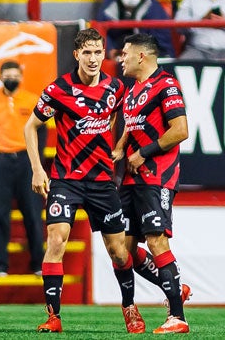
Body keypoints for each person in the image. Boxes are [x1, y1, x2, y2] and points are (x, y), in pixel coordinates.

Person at [25, 29, 142, 334]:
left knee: (118, 251)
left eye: (98, 52)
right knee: (56, 240)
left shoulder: (116, 88)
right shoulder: (59, 88)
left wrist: (118, 148)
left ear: (105, 54)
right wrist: (38, 169)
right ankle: (53, 316)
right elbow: (31, 126)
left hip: (102, 181)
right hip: (65, 179)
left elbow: (124, 119)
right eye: (87, 53)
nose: (93, 59)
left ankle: (129, 307)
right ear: (77, 55)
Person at [113, 32, 191, 334]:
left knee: (157, 240)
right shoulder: (133, 91)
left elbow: (180, 129)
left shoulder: (166, 85)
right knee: (125, 251)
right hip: (132, 179)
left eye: (125, 53)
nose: (121, 58)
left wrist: (143, 153)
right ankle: (175, 287)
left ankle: (178, 317)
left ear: (141, 56)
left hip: (157, 176)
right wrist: (121, 147)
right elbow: (132, 126)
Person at [0, 60, 45, 278]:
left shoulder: (32, 99)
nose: (12, 77)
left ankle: (38, 263)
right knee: (0, 215)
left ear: (21, 76)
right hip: (3, 163)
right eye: (7, 73)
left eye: (15, 73)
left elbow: (41, 132)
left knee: (33, 214)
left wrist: (37, 161)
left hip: (27, 163)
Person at [98, 0, 176, 59]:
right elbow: (101, 34)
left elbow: (162, 44)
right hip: (119, 57)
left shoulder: (154, 10)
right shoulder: (109, 8)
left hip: (148, 57)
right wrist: (110, 50)